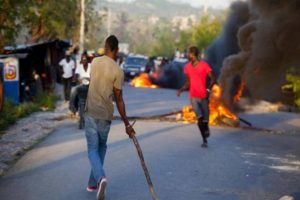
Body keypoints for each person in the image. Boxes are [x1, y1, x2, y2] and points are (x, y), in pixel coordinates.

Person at [84, 35, 135, 200]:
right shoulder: (118, 71)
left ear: (105, 47)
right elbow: (119, 99)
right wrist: (127, 124)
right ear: (117, 50)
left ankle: (100, 178)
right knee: (101, 148)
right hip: (106, 115)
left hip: (91, 111)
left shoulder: (95, 62)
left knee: (92, 149)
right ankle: (93, 183)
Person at [177, 46, 215, 148]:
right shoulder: (187, 67)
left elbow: (213, 79)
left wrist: (208, 90)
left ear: (193, 54)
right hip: (193, 97)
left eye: (188, 53)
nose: (187, 55)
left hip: (203, 96)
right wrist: (181, 90)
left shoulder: (204, 65)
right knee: (199, 118)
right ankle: (204, 139)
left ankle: (206, 128)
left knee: (205, 120)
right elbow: (188, 82)